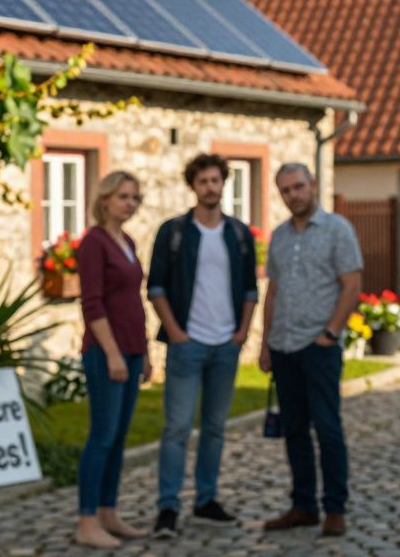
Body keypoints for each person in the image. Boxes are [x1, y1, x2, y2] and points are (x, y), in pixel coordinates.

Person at [149, 154, 259, 538]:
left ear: (223, 183)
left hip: (225, 344)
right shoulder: (174, 232)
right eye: (203, 181)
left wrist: (242, 332)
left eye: (216, 180)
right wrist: (176, 332)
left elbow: (250, 288)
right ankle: (167, 507)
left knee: (214, 428)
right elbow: (156, 287)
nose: (210, 187)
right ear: (193, 186)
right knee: (177, 428)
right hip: (187, 344)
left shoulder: (239, 234)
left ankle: (206, 500)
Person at [258, 162, 363, 538]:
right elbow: (273, 290)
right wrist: (266, 341)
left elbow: (351, 284)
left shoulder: (338, 229)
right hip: (283, 346)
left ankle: (335, 508)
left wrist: (331, 333)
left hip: (318, 346)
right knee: (294, 430)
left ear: (313, 185)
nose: (293, 195)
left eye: (299, 187)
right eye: (286, 190)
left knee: (327, 427)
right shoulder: (279, 236)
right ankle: (303, 505)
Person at [74, 170, 150, 549]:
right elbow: (92, 304)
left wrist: (145, 353)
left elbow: (134, 301)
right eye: (123, 196)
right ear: (104, 200)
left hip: (133, 350)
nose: (130, 204)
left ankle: (108, 511)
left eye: (135, 197)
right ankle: (87, 519)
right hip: (106, 352)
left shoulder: (128, 241)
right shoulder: (94, 243)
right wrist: (113, 354)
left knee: (119, 437)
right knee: (102, 436)